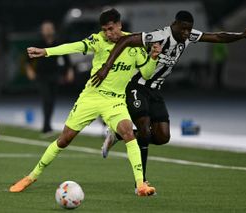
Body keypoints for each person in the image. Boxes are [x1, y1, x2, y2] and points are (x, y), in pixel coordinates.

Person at [9, 8, 162, 196]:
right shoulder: (98, 40)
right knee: (64, 140)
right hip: (91, 97)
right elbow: (73, 46)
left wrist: (153, 57)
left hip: (115, 101)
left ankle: (140, 185)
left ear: (120, 25)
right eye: (105, 30)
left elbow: (146, 73)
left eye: (111, 29)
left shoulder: (133, 43)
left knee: (128, 132)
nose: (108, 33)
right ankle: (31, 176)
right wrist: (46, 52)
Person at [97, 11, 246, 185]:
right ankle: (141, 182)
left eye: (189, 29)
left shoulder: (189, 36)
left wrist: (240, 35)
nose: (186, 33)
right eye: (183, 29)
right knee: (144, 128)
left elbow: (217, 36)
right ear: (175, 24)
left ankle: (118, 135)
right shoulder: (159, 36)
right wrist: (107, 67)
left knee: (162, 137)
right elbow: (126, 40)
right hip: (137, 85)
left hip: (155, 90)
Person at [26, 21, 74, 136]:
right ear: (42, 31)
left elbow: (66, 59)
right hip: (42, 76)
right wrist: (30, 71)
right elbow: (28, 60)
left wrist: (69, 71)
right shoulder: (38, 43)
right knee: (46, 99)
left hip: (55, 75)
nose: (47, 30)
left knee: (51, 101)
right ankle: (46, 127)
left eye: (49, 28)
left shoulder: (58, 43)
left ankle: (47, 125)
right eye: (45, 28)